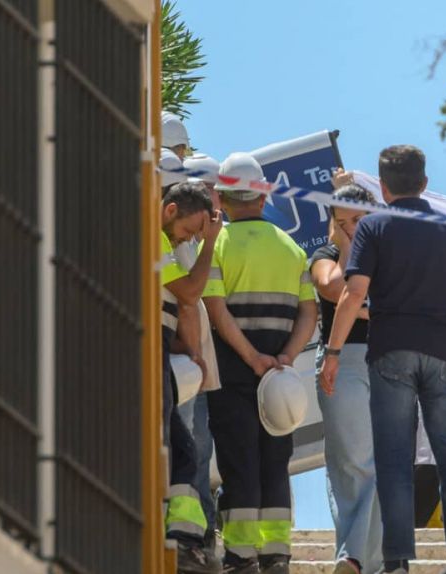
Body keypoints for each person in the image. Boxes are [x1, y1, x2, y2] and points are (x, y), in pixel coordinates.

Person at [320, 145, 446, 574]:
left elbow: (353, 294)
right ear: (424, 182)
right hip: (443, 354)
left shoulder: (374, 227)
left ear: (383, 186)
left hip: (390, 353)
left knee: (394, 460)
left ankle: (396, 562)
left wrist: (333, 353)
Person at [203, 152, 318, 574]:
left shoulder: (217, 246)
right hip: (279, 378)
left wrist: (251, 358)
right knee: (274, 462)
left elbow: (215, 308)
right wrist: (286, 356)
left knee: (239, 462)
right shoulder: (291, 248)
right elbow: (309, 312)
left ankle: (240, 555)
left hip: (233, 374)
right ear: (264, 195)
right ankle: (277, 553)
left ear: (221, 197)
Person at [311, 180, 383, 574]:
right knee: (352, 462)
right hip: (344, 363)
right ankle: (355, 556)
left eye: (359, 221)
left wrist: (365, 305)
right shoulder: (325, 255)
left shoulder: (390, 254)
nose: (353, 229)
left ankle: (362, 560)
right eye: (343, 223)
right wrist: (345, 247)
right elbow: (332, 287)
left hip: (388, 362)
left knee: (379, 463)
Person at [160, 181, 222, 573]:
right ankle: (181, 545)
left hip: (161, 351)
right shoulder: (156, 240)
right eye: (189, 230)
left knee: (182, 450)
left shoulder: (164, 242)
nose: (189, 239)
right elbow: (189, 294)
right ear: (170, 211)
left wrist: (183, 347)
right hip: (150, 356)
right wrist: (210, 244)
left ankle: (183, 543)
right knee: (176, 449)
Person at [177, 152, 224, 550]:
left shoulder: (193, 238)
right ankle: (192, 535)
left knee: (198, 450)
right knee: (189, 449)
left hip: (196, 363)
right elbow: (190, 298)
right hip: (186, 362)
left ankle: (201, 531)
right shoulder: (178, 241)